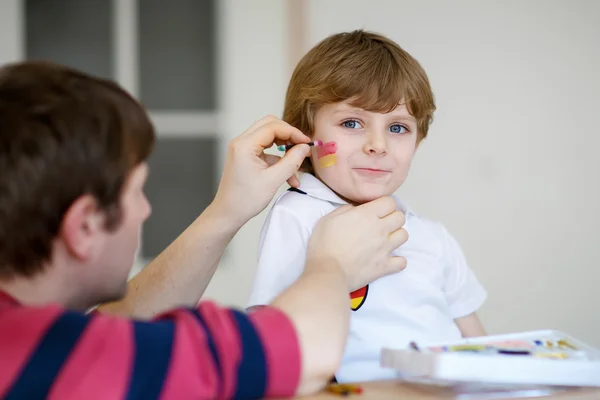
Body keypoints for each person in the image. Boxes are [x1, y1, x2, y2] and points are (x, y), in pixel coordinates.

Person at [0, 60, 408, 399]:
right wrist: (332, 265)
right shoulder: (58, 353)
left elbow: (120, 327)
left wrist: (225, 212)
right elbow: (304, 353)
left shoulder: (36, 345)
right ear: (84, 225)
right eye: (137, 191)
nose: (146, 210)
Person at [247, 30, 488, 382]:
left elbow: (479, 346)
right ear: (304, 134)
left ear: (417, 143)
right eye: (351, 123)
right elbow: (269, 338)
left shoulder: (433, 237)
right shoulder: (297, 215)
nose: (378, 144)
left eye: (398, 128)